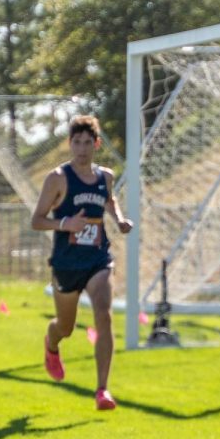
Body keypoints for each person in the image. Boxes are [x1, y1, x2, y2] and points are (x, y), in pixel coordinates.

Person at [31, 115, 132, 410]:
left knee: (104, 314)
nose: (82, 148)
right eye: (77, 142)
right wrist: (65, 223)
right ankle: (51, 344)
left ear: (96, 144)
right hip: (66, 263)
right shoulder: (58, 178)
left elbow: (109, 200)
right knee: (66, 326)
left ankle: (103, 390)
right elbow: (36, 220)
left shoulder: (106, 177)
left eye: (88, 142)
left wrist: (120, 219)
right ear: (69, 143)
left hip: (98, 259)